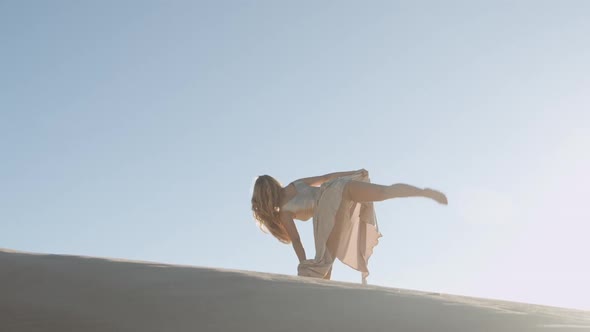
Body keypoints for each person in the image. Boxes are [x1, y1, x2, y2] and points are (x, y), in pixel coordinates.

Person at [251, 169, 448, 283]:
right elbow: (327, 177)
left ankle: (322, 297)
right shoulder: (294, 184)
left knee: (321, 264)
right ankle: (424, 192)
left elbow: (296, 241)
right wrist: (352, 172)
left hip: (329, 210)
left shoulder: (285, 211)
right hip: (338, 187)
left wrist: (304, 262)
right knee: (383, 192)